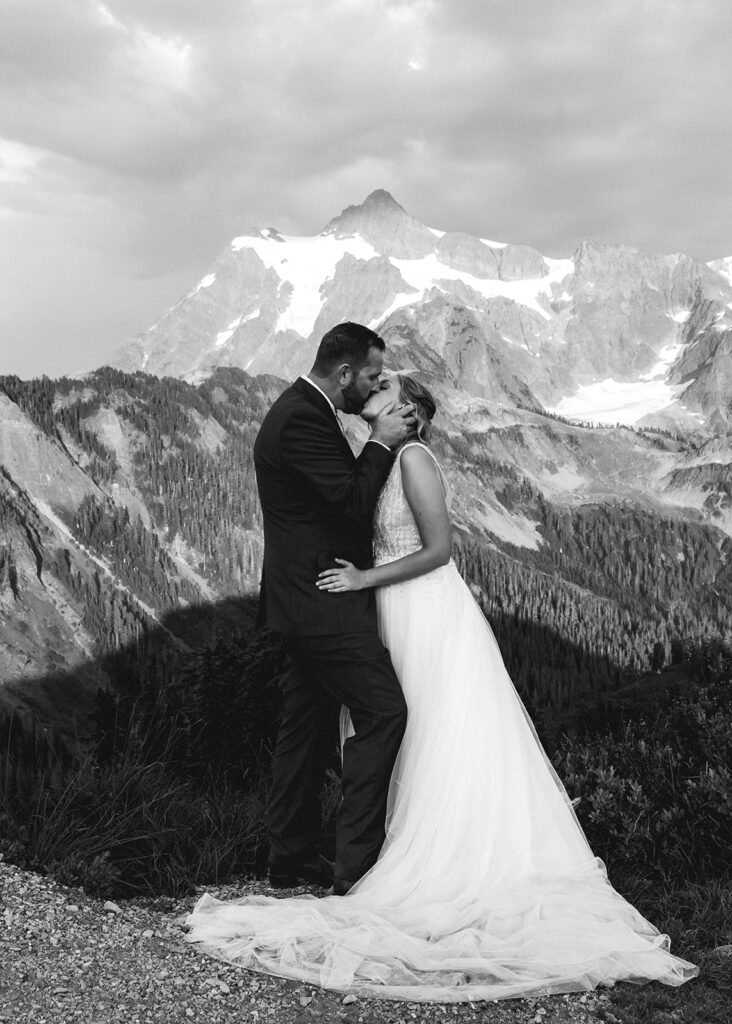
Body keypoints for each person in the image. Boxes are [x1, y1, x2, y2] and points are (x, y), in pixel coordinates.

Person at [186, 374, 698, 1001]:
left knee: (437, 725)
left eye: (387, 384)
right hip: (391, 613)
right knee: (409, 727)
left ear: (407, 410)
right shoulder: (379, 456)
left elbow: (439, 550)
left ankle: (439, 861)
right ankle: (391, 850)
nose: (373, 386)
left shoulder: (417, 459)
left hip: (425, 608)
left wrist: (364, 580)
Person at [251, 322, 415, 896]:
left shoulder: (305, 409)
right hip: (323, 602)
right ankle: (357, 865)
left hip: (304, 601)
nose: (372, 385)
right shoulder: (300, 417)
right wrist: (382, 441)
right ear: (343, 371)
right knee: (385, 712)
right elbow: (349, 502)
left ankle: (287, 864)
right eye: (369, 375)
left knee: (305, 730)